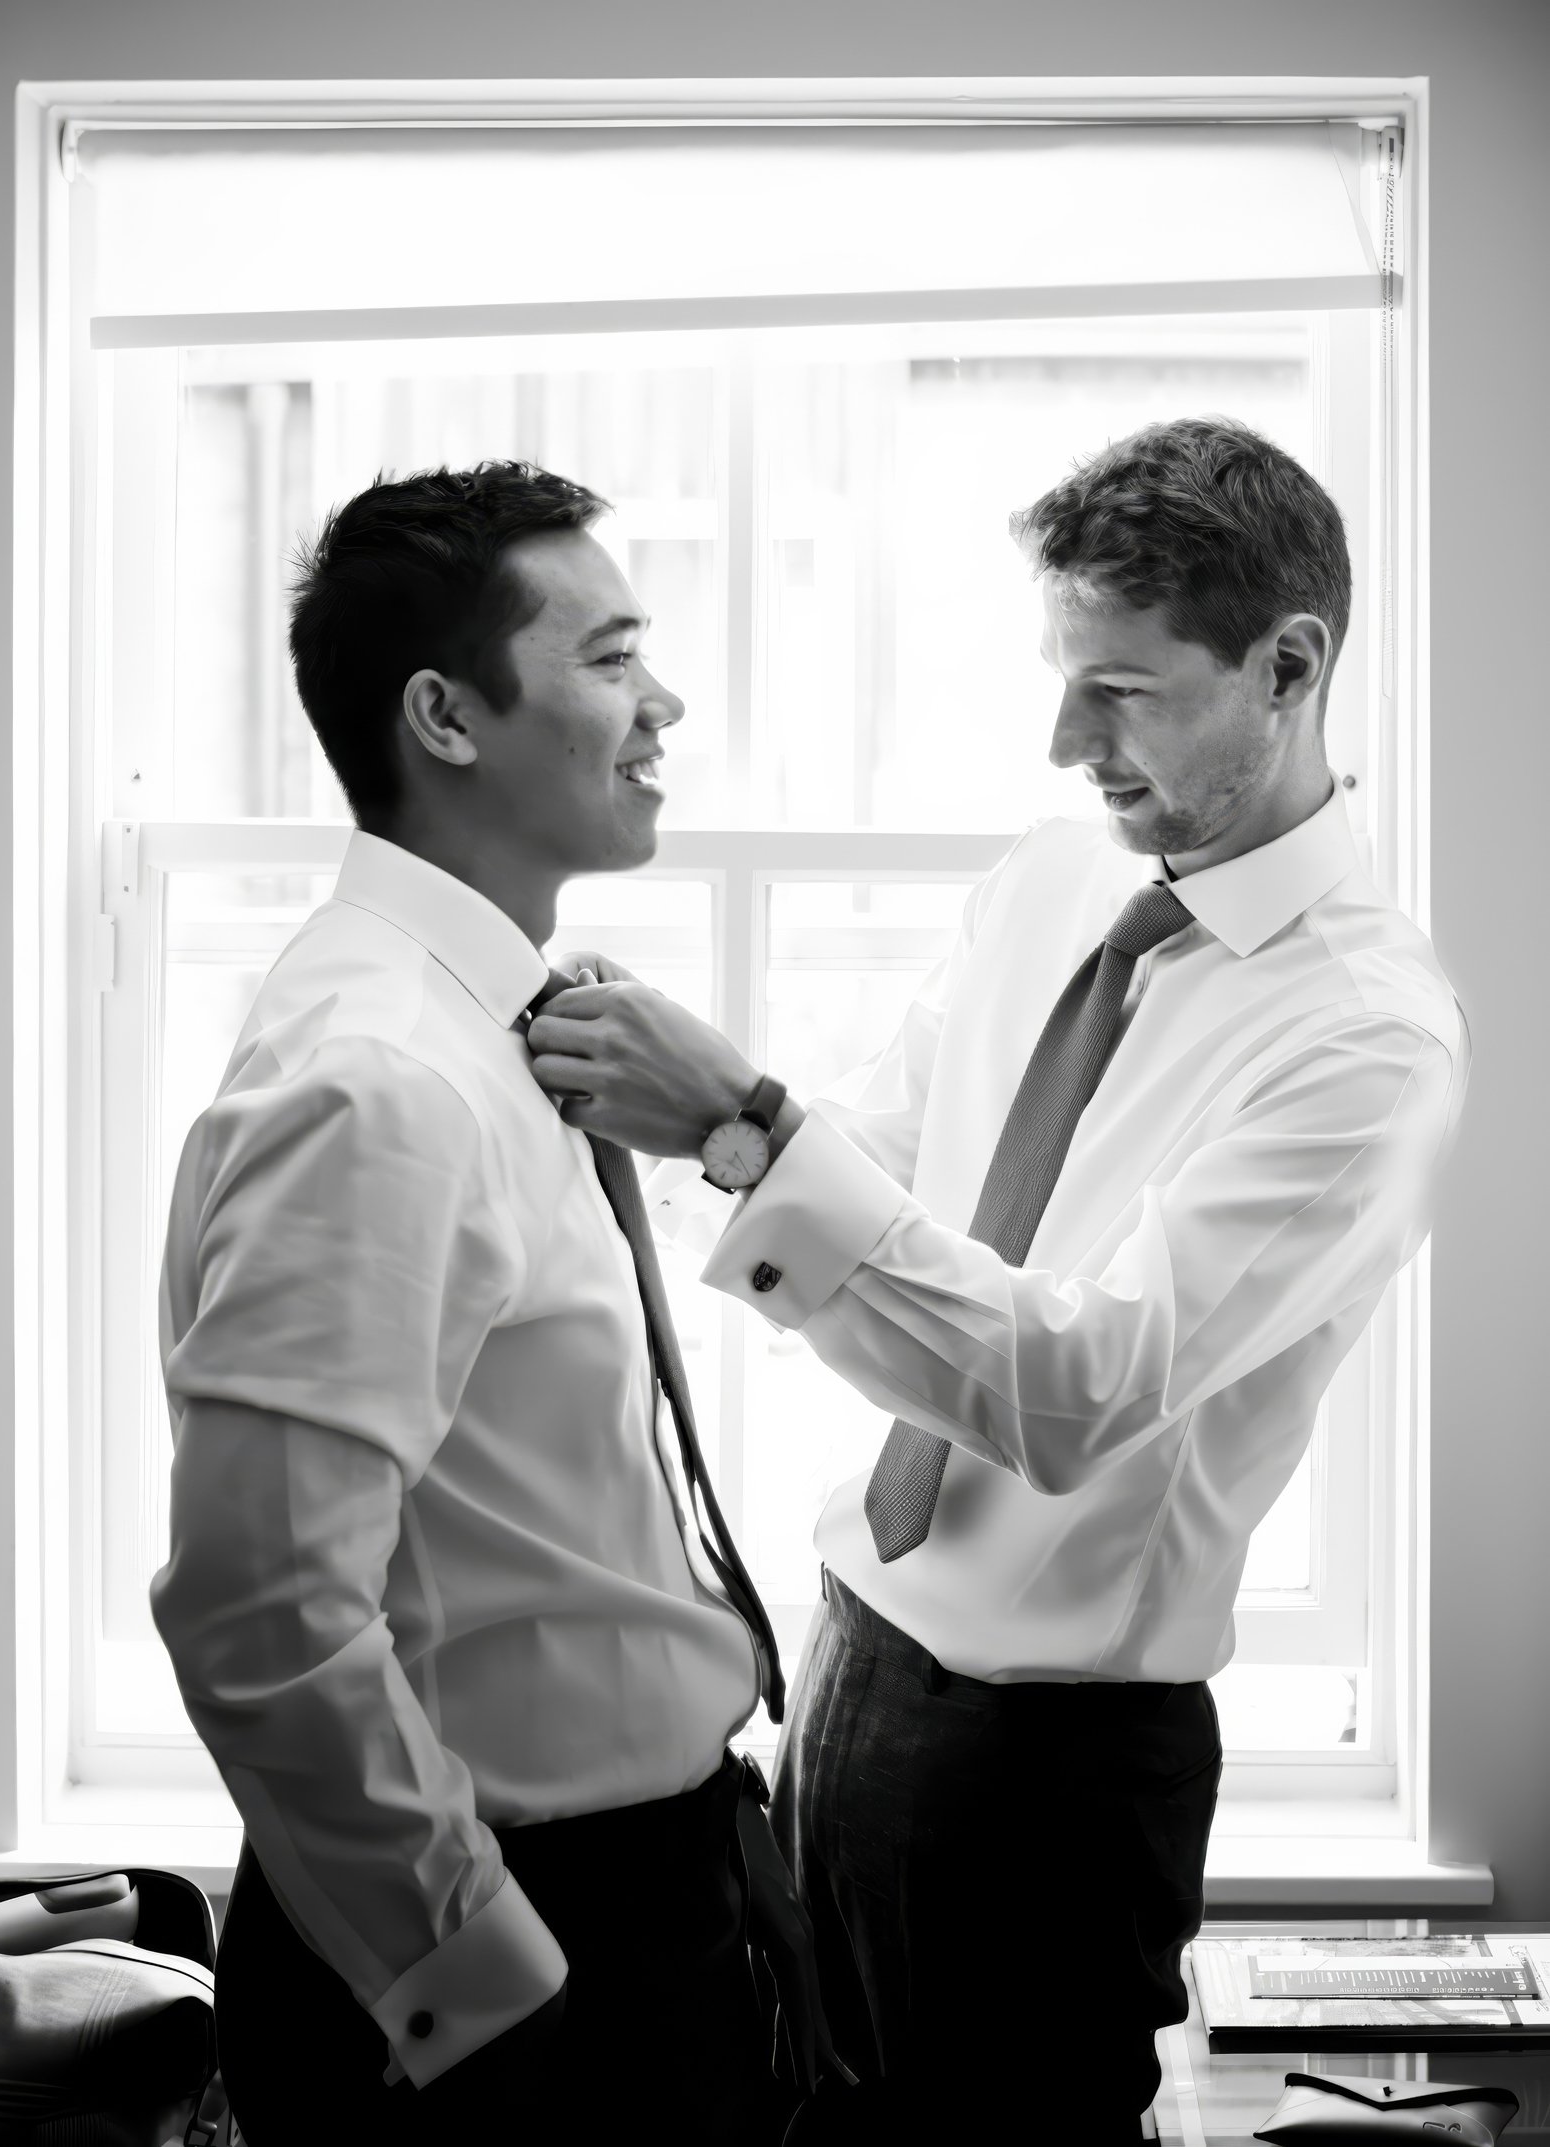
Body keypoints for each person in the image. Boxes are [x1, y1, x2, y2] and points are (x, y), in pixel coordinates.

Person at [524, 417, 1468, 2139]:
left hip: (1050, 1782)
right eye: (1058, 678)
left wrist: (740, 1127)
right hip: (852, 1672)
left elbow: (1071, 1391)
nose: (1061, 742)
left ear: (1291, 665)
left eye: (1121, 689)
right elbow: (885, 1166)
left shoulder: (1368, 1041)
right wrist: (651, 1108)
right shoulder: (1054, 883)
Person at [150, 463, 834, 2145]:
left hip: (652, 1893)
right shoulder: (380, 1081)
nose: (661, 699)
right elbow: (261, 1610)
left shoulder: (503, 1033)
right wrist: (470, 1982)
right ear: (447, 716)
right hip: (517, 1955)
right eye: (610, 657)